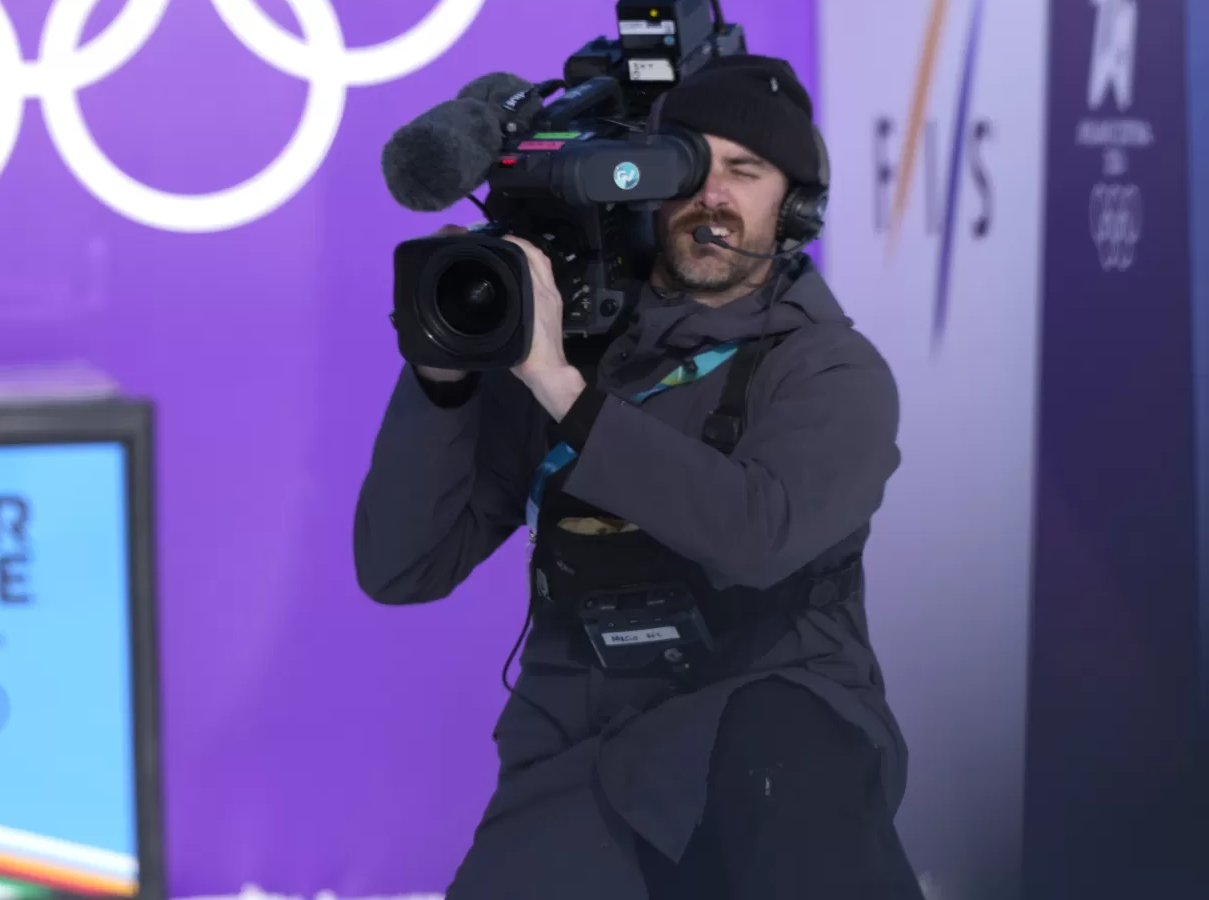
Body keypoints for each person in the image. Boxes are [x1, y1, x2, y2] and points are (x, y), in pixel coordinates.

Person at [354, 56, 926, 899]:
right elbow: (402, 568)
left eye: (745, 171)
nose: (712, 195)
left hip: (760, 721)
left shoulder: (829, 369)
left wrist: (564, 393)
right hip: (584, 746)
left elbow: (757, 534)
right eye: (686, 164)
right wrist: (442, 380)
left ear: (796, 207)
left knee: (786, 752)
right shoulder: (567, 344)